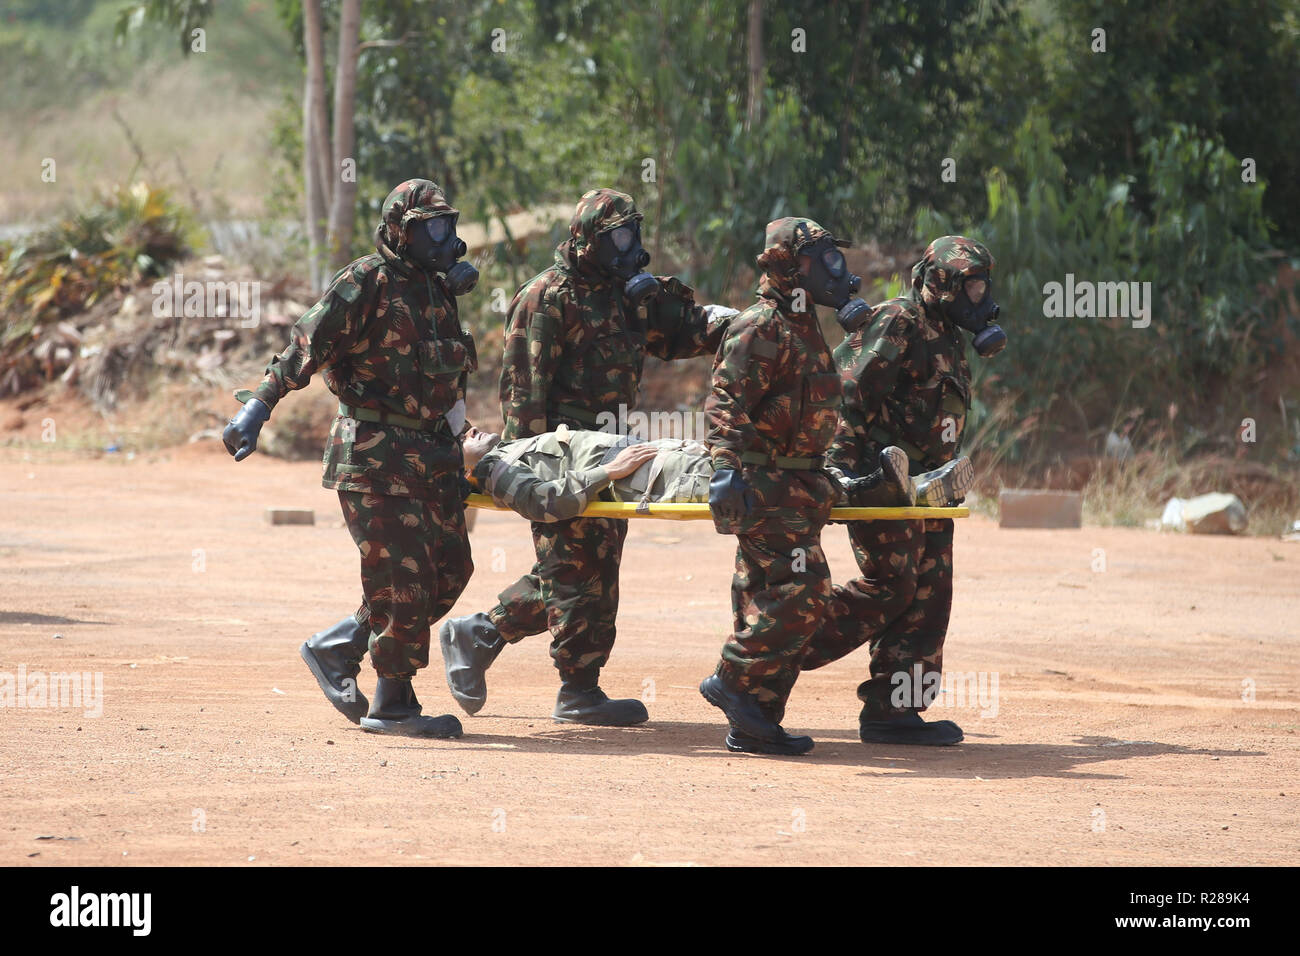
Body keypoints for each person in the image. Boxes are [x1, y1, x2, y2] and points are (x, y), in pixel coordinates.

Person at [440, 187, 732, 727]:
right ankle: (571, 685)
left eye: (633, 234)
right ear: (587, 241)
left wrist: (741, 321)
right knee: (573, 569)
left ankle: (489, 637)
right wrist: (522, 471)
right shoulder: (547, 297)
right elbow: (523, 397)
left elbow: (681, 335)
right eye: (618, 237)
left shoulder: (626, 295)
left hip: (614, 452)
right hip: (558, 454)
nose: (629, 247)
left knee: (591, 567)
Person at [440, 424, 965, 715]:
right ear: (458, 460)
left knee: (578, 588)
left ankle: (882, 487)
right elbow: (545, 502)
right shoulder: (490, 467)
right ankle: (869, 487)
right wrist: (610, 469)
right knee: (753, 486)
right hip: (641, 476)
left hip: (651, 459)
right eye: (463, 434)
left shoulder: (512, 443)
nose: (474, 428)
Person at [222, 178, 480, 739]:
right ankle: (393, 703)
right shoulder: (367, 281)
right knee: (405, 578)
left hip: (433, 454)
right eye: (429, 228)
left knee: (450, 569)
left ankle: (338, 645)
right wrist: (258, 407)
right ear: (399, 233)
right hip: (376, 455)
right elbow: (304, 346)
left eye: (447, 226)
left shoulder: (438, 290)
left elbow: (447, 375)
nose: (443, 238)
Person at [800, 235, 1004, 746]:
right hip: (883, 481)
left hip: (931, 489)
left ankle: (896, 712)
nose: (979, 297)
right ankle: (772, 651)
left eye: (983, 287)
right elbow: (846, 396)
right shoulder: (900, 321)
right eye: (970, 286)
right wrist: (841, 476)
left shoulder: (948, 335)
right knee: (891, 585)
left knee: (930, 596)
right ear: (940, 284)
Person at [693, 216, 868, 756]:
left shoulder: (803, 322)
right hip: (764, 484)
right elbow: (725, 402)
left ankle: (756, 720)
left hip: (799, 487)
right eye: (826, 261)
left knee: (762, 597)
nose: (839, 271)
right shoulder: (760, 324)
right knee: (806, 592)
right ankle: (731, 676)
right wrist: (726, 470)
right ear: (791, 266)